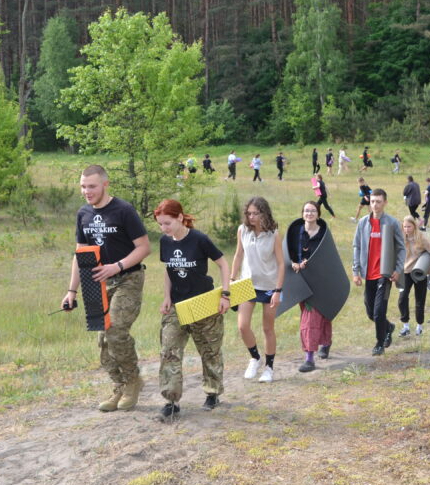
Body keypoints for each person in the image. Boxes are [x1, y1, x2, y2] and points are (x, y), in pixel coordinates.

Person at [61, 164, 150, 412]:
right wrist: (71, 292)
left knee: (116, 331)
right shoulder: (83, 214)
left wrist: (117, 266)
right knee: (103, 341)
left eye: (92, 186)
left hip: (128, 278)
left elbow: (144, 248)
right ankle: (119, 387)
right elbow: (80, 254)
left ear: (105, 185)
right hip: (98, 283)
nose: (86, 191)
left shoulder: (123, 211)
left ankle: (133, 381)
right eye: (83, 186)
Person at [153, 199, 230, 421]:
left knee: (209, 350)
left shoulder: (199, 239)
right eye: (160, 224)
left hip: (203, 304)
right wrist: (167, 297)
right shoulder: (165, 241)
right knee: (169, 350)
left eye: (167, 223)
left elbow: (223, 264)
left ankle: (213, 393)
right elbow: (169, 269)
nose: (164, 229)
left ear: (179, 217)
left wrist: (225, 295)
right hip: (177, 305)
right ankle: (171, 401)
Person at [230, 197, 285, 383]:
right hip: (247, 284)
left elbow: (280, 263)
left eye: (255, 213)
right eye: (249, 213)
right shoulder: (242, 230)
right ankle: (255, 358)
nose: (251, 217)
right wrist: (231, 280)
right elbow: (238, 255)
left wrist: (278, 290)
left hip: (269, 286)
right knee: (242, 326)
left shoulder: (274, 234)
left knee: (267, 328)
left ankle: (269, 368)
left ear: (264, 213)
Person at [352, 189, 406, 355]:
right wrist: (356, 271)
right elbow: (357, 246)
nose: (375, 204)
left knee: (378, 312)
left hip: (385, 274)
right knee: (370, 312)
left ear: (385, 203)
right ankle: (388, 327)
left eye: (378, 201)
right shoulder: (363, 223)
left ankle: (379, 343)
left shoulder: (392, 223)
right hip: (368, 274)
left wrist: (397, 270)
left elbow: (401, 248)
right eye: (373, 201)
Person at [287, 202, 334, 372]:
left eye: (313, 211)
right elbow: (289, 252)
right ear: (302, 213)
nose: (309, 213)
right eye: (306, 210)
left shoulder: (323, 233)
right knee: (314, 315)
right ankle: (326, 342)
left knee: (313, 317)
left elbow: (328, 255)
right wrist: (293, 263)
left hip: (320, 280)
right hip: (300, 279)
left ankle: (309, 357)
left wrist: (313, 262)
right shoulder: (295, 231)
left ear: (318, 214)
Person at [399, 215, 430, 336]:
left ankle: (419, 326)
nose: (406, 229)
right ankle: (405, 325)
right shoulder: (401, 238)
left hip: (419, 273)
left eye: (409, 226)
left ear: (414, 226)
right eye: (405, 227)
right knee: (402, 299)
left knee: (419, 300)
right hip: (405, 272)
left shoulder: (421, 238)